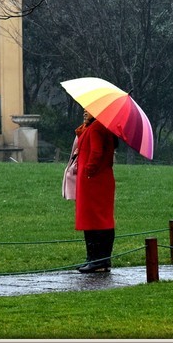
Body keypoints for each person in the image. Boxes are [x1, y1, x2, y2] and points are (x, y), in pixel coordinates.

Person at [73, 109, 117, 273]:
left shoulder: (98, 127)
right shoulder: (94, 126)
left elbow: (97, 152)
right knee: (93, 218)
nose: (84, 110)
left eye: (90, 109)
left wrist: (88, 171)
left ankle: (99, 260)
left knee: (97, 218)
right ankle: (95, 259)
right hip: (95, 179)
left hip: (94, 180)